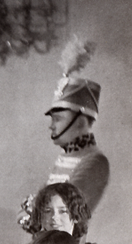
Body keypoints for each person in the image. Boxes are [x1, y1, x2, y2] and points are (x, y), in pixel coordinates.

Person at [44, 38, 108, 212]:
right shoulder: (67, 155)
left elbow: (59, 209)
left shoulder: (95, 161)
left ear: (79, 122)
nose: (51, 126)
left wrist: (31, 209)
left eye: (58, 119)